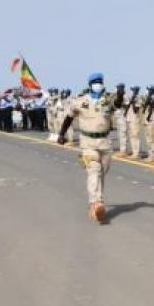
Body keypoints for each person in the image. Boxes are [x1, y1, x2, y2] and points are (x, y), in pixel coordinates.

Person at [57, 73, 123, 223]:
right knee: (94, 170)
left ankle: (97, 202)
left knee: (102, 173)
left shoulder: (108, 99)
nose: (98, 84)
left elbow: (118, 104)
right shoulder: (80, 101)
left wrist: (120, 94)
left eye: (100, 82)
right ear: (90, 84)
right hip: (87, 142)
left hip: (105, 142)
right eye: (95, 82)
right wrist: (61, 134)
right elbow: (69, 117)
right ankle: (96, 203)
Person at [112, 83, 128, 158]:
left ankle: (123, 151)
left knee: (122, 133)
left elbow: (126, 106)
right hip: (118, 116)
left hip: (122, 116)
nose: (117, 89)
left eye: (118, 88)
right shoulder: (118, 95)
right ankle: (122, 150)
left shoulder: (125, 96)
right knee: (120, 133)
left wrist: (120, 103)